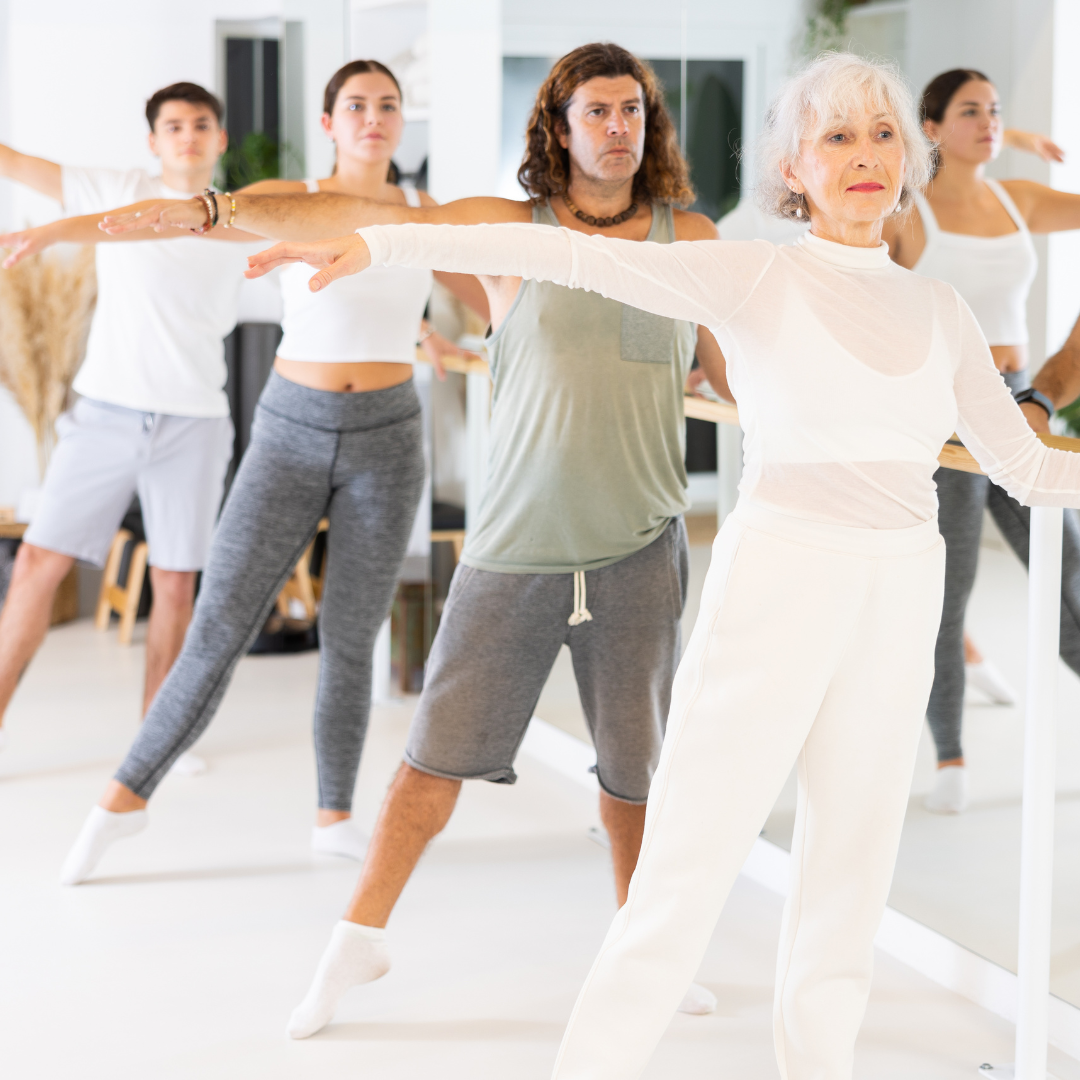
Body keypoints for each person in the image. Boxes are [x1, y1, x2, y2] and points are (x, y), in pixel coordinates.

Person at [244, 51, 1080, 1077]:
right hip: (779, 581)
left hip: (901, 588)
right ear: (793, 167)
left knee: (851, 877)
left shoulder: (941, 312)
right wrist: (378, 242)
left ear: (907, 157)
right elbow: (566, 259)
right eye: (837, 136)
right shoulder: (755, 271)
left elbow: (1031, 469)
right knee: (686, 865)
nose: (865, 156)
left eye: (882, 134)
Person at [91, 42, 732, 1026]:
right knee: (432, 764)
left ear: (649, 128)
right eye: (596, 112)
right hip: (515, 550)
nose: (616, 128)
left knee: (635, 774)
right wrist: (241, 215)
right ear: (560, 129)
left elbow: (733, 367)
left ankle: (648, 953)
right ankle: (353, 949)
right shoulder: (511, 232)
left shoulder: (691, 238)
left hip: (640, 547)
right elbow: (380, 217)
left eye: (631, 113)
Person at [0, 61, 487, 876]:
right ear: (328, 122)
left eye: (389, 106)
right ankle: (121, 800)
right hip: (292, 426)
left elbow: (478, 290)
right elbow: (165, 220)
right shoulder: (287, 197)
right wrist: (54, 230)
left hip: (388, 435)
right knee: (217, 624)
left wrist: (440, 339)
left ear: (404, 123)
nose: (374, 118)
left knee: (351, 634)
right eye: (356, 106)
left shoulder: (427, 214)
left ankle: (334, 812)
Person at [0, 82, 251, 776]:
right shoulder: (113, 187)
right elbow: (15, 160)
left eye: (202, 124)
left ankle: (157, 739)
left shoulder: (246, 215)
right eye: (174, 126)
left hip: (195, 422)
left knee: (174, 582)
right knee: (36, 564)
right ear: (153, 142)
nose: (189, 136)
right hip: (104, 414)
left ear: (219, 139)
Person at [884, 68, 1080, 813]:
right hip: (944, 417)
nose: (990, 122)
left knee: (1064, 565)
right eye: (972, 112)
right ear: (930, 127)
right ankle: (951, 755)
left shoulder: (1015, 198)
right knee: (950, 586)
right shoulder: (908, 212)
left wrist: (1017, 142)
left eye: (997, 111)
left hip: (1024, 402)